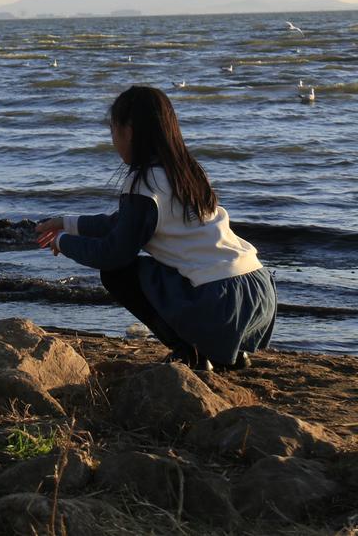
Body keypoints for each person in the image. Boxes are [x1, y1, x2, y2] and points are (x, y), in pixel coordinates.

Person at [35, 85, 276, 371]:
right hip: (257, 290)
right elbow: (121, 223)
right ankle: (229, 354)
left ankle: (192, 353)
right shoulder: (188, 171)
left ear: (130, 131)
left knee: (117, 273)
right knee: (161, 269)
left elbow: (114, 253)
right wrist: (67, 223)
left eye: (113, 130)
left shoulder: (144, 182)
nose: (112, 140)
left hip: (221, 302)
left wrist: (63, 242)